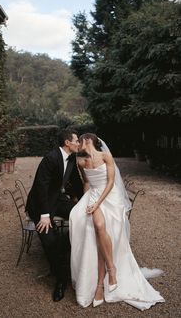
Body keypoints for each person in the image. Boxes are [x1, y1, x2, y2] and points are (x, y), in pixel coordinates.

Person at [69, 133, 165, 310]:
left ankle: (105, 280)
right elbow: (87, 183)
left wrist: (98, 202)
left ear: (87, 141)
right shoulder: (80, 161)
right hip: (94, 195)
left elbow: (111, 182)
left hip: (109, 197)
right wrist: (87, 201)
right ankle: (106, 276)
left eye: (79, 141)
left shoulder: (106, 156)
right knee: (92, 224)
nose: (77, 145)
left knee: (99, 228)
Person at [26, 129, 83, 302]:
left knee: (82, 214)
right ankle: (61, 279)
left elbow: (77, 182)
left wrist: (83, 201)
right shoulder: (50, 158)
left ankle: (66, 247)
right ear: (67, 143)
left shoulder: (72, 157)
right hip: (40, 206)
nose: (78, 143)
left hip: (57, 200)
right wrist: (44, 215)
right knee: (49, 241)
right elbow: (41, 187)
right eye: (76, 141)